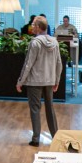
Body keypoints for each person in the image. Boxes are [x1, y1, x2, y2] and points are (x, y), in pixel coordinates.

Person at [16, 16, 61, 147]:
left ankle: (36, 139)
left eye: (33, 24)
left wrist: (20, 81)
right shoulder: (55, 42)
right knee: (50, 109)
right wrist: (56, 80)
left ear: (38, 27)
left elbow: (28, 64)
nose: (31, 26)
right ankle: (56, 137)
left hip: (34, 82)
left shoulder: (34, 43)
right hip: (49, 81)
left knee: (35, 109)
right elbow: (59, 64)